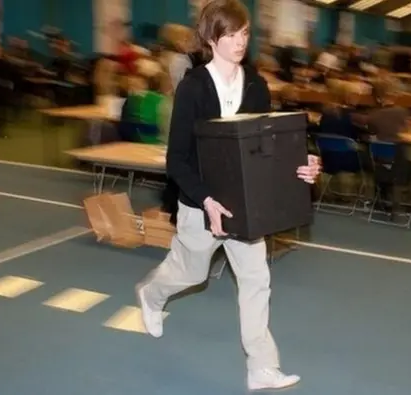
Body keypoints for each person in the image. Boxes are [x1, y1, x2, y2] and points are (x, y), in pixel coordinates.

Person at [135, 0, 321, 391]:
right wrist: (205, 200)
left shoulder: (256, 85)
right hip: (200, 203)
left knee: (256, 278)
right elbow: (177, 160)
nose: (239, 41)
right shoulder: (193, 88)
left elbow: (262, 148)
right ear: (211, 37)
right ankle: (151, 296)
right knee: (191, 271)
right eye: (231, 34)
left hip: (244, 204)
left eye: (245, 33)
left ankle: (261, 367)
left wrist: (300, 164)